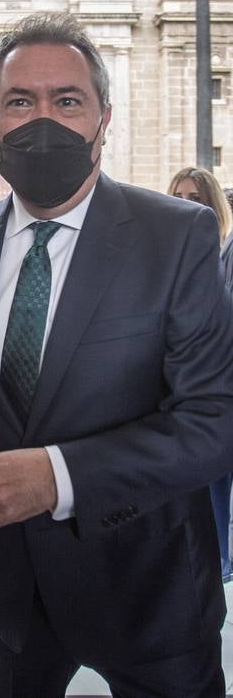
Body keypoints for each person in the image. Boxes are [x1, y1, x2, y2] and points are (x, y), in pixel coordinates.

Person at [0, 12, 233, 697]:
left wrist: (58, 476)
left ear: (104, 118)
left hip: (150, 591)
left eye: (67, 100)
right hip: (13, 595)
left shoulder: (176, 236)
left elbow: (213, 422)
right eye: (19, 101)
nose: (44, 120)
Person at [168, 166, 233, 582]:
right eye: (180, 197)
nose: (188, 205)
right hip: (193, 399)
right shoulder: (169, 257)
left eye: (197, 198)